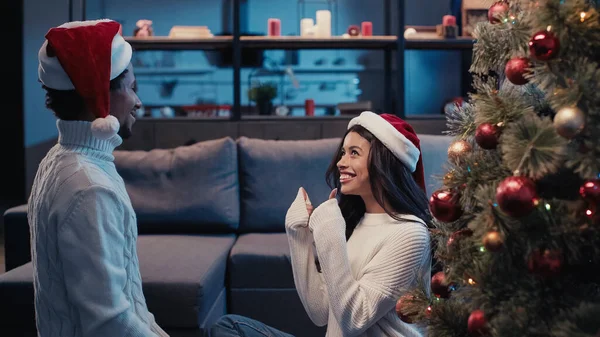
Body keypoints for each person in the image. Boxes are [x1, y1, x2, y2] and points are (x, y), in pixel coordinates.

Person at [209, 111, 432, 337]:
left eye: (354, 153)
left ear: (384, 162)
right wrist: (298, 237)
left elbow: (353, 320)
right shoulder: (361, 221)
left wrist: (330, 231)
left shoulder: (410, 233)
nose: (341, 163)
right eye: (343, 153)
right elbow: (321, 312)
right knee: (228, 327)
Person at [28, 19, 168, 337]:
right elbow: (110, 323)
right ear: (100, 96)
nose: (138, 101)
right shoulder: (88, 187)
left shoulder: (58, 160)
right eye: (132, 89)